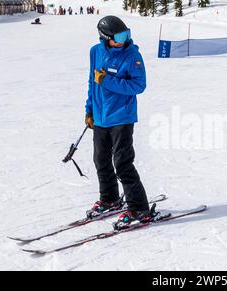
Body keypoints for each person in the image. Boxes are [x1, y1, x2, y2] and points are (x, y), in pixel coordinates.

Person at [85, 16, 151, 226]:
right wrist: (89, 110)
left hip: (122, 116)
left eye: (126, 35)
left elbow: (138, 86)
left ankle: (139, 208)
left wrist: (107, 80)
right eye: (118, 37)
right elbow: (92, 83)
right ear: (105, 38)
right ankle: (110, 198)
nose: (123, 40)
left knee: (122, 163)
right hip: (101, 117)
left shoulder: (133, 55)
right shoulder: (95, 51)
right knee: (101, 160)